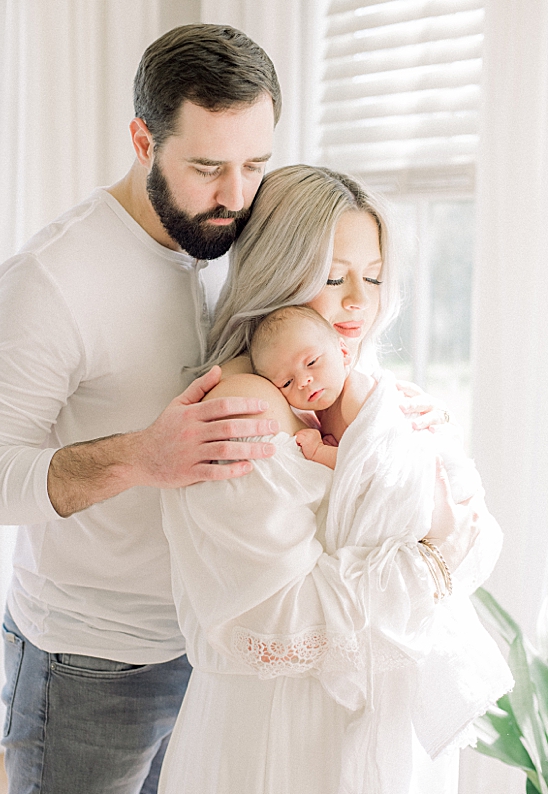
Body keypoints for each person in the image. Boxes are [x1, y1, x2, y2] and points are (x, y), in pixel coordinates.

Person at [0, 24, 283, 793]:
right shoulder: (50, 278)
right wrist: (143, 456)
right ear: (142, 139)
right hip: (91, 666)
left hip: (216, 646)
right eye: (206, 168)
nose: (235, 197)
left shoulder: (241, 240)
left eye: (254, 165)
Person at [158, 164, 509, 794]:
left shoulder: (373, 395)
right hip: (284, 738)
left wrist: (445, 535)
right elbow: (276, 620)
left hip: (382, 729)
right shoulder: (242, 412)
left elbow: (483, 535)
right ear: (276, 271)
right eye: (332, 276)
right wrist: (434, 563)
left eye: (373, 278)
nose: (358, 300)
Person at [247, 304, 366, 468]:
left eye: (311, 362)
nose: (303, 382)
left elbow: (371, 460)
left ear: (343, 352)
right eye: (287, 383)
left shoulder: (355, 394)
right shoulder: (319, 412)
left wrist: (319, 451)